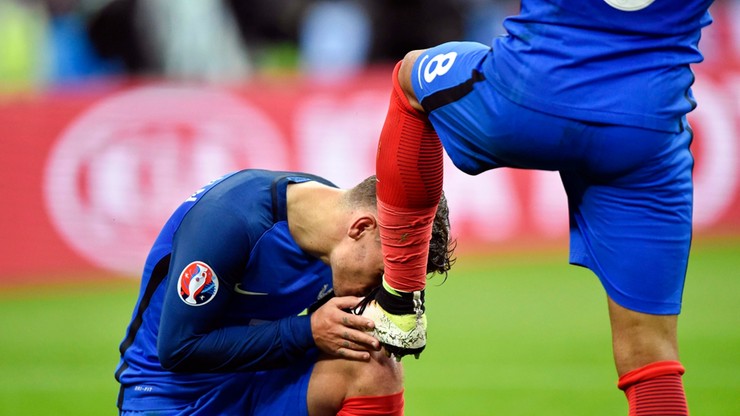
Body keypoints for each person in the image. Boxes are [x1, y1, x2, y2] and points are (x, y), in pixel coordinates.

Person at [363, 1, 714, 415]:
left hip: (530, 97)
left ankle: (400, 300)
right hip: (644, 130)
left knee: (410, 76)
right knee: (654, 356)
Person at [114, 169, 454, 415]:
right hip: (173, 399)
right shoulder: (229, 222)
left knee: (374, 363)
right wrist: (308, 330)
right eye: (382, 275)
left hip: (259, 383)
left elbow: (333, 330)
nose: (377, 290)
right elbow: (178, 349)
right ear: (361, 228)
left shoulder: (336, 233)